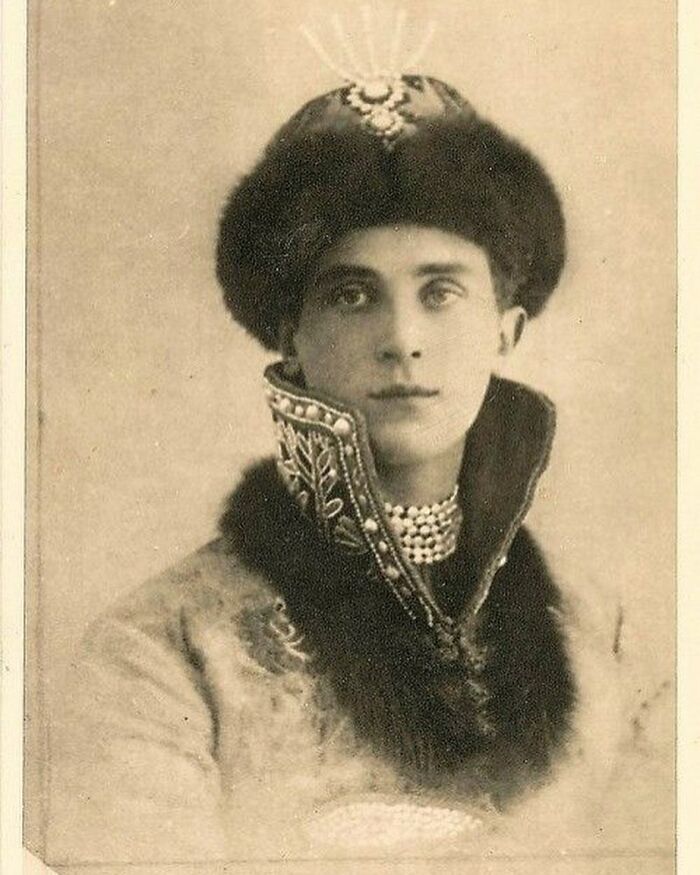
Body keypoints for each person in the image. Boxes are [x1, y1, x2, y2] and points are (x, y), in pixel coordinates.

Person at [48, 70, 667, 865]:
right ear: (290, 338)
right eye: (351, 295)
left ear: (504, 330)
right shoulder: (164, 650)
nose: (402, 338)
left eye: (441, 292)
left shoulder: (607, 639)